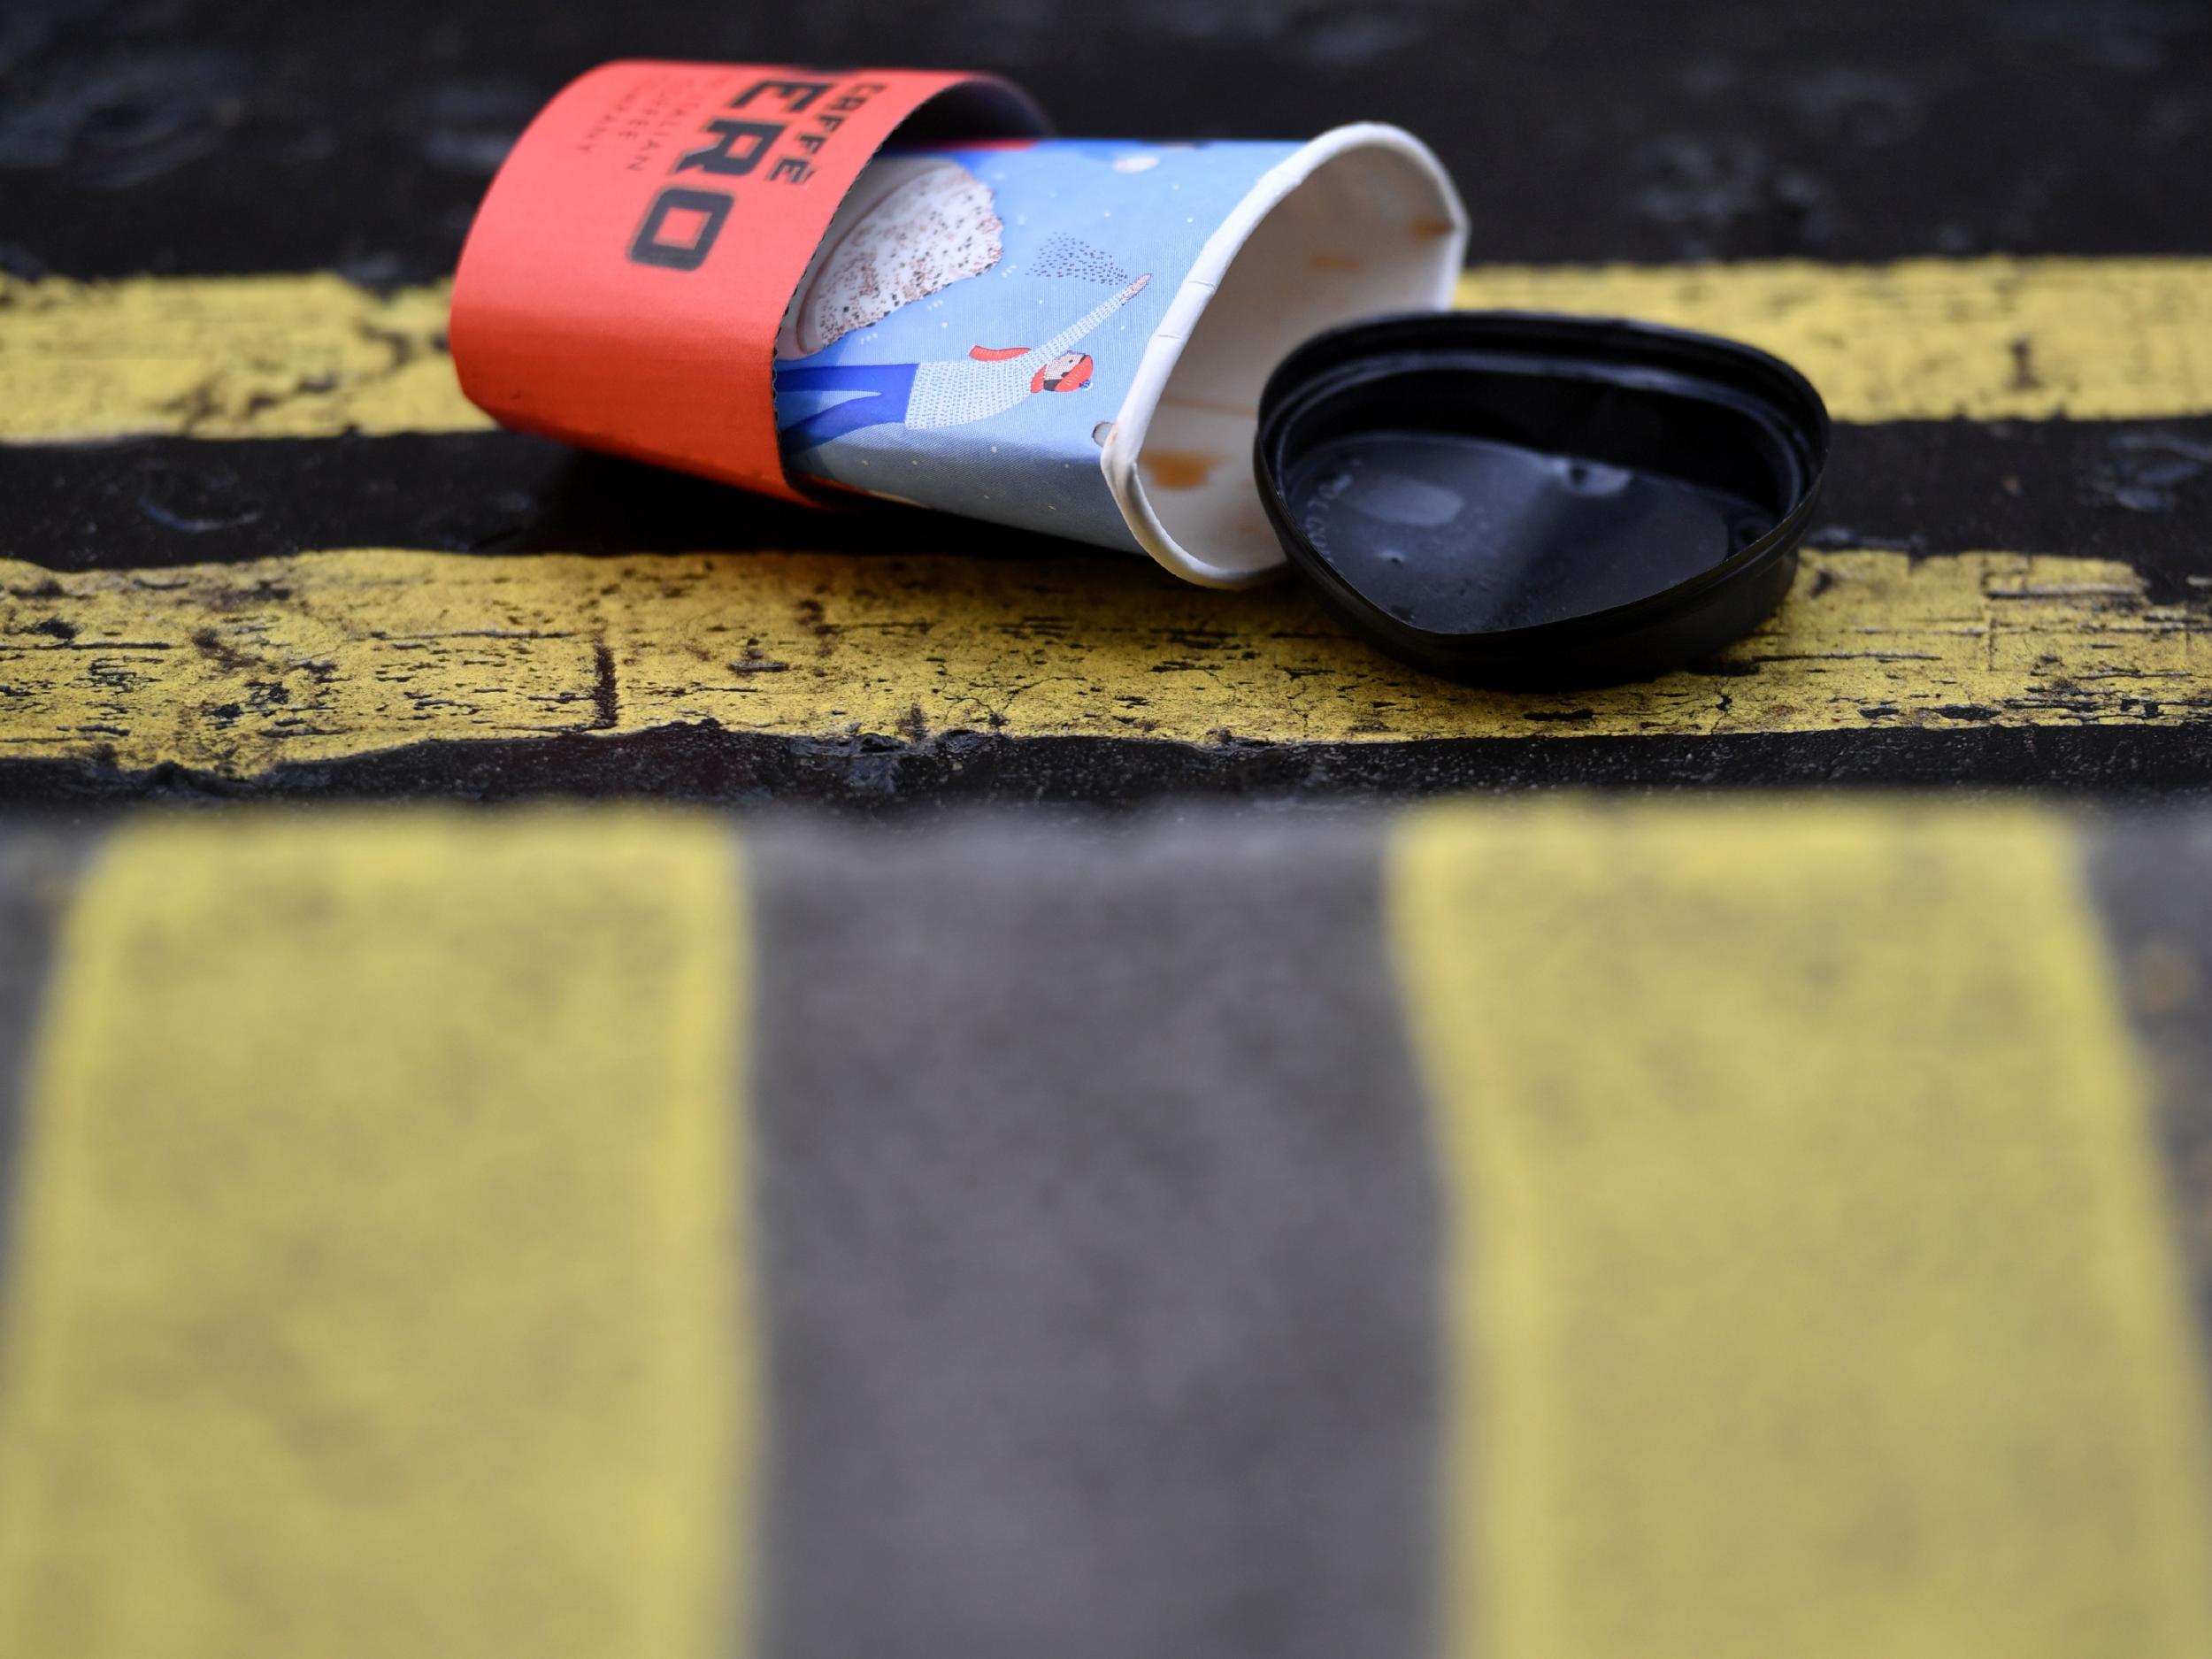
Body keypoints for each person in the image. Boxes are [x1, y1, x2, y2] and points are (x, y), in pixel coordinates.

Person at [777, 274, 1152, 449]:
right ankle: (777, 428)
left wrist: (1125, 297)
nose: (1064, 353)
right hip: (923, 392)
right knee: (832, 401)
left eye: (1068, 359)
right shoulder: (1022, 378)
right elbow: (988, 359)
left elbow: (1075, 330)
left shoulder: (1027, 372)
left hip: (921, 393)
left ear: (1062, 373)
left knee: (834, 406)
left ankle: (774, 432)